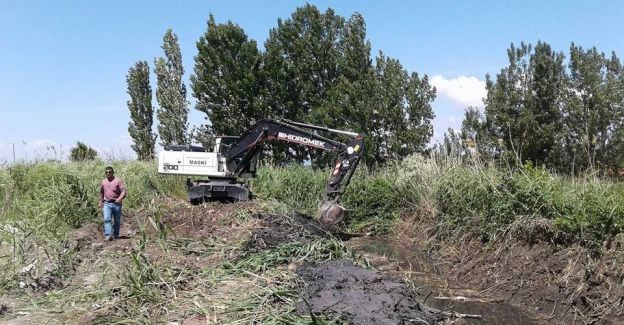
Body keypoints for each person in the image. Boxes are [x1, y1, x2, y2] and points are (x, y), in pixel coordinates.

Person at [98, 166, 127, 241]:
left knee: (116, 220)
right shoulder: (103, 182)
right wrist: (100, 202)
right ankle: (108, 235)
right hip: (107, 203)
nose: (108, 173)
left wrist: (119, 198)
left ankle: (116, 235)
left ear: (113, 172)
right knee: (107, 219)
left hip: (116, 203)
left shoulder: (118, 181)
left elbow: (123, 191)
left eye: (110, 172)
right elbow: (101, 192)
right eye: (106, 172)